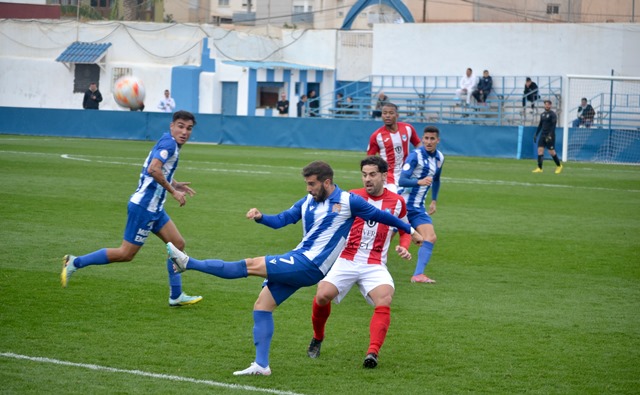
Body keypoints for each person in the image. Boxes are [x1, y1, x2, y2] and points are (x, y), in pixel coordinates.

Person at [165, 160, 423, 376]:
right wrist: (260, 217)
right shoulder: (307, 201)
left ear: (326, 182)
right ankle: (261, 365)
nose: (309, 188)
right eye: (307, 184)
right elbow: (282, 220)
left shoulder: (349, 200)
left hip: (310, 265)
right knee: (262, 306)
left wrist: (410, 231)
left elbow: (384, 217)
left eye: (312, 184)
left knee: (251, 265)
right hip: (298, 257)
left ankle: (188, 263)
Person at [61, 110, 203, 308]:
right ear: (171, 126)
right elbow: (154, 169)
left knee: (178, 245)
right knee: (126, 254)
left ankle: (176, 296)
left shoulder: (168, 142)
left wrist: (174, 183)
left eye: (188, 128)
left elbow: (153, 169)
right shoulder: (169, 144)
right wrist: (173, 191)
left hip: (155, 209)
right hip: (143, 208)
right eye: (180, 126)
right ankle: (74, 262)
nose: (184, 132)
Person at [307, 156, 413, 369]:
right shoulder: (351, 196)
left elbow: (404, 229)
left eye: (373, 174)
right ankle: (318, 337)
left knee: (384, 299)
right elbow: (333, 216)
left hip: (374, 264)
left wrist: (404, 246)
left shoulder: (397, 202)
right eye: (364, 175)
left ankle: (373, 352)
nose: (368, 179)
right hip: (346, 259)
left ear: (384, 175)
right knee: (321, 296)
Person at [398, 126, 445, 284]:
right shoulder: (415, 156)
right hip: (401, 206)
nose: (429, 142)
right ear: (422, 139)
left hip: (418, 208)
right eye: (426, 138)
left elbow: (437, 179)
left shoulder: (439, 158)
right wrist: (419, 182)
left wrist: (434, 200)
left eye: (432, 139)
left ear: (437, 140)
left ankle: (418, 275)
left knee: (430, 237)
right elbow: (402, 180)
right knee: (382, 238)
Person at [367, 102, 421, 193]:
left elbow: (418, 145)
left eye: (391, 113)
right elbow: (369, 158)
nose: (387, 116)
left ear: (397, 115)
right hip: (389, 175)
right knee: (393, 201)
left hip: (407, 173)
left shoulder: (408, 128)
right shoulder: (377, 136)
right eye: (385, 113)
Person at [532, 99, 563, 174]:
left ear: (550, 105)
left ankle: (559, 166)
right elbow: (540, 125)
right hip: (543, 135)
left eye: (548, 104)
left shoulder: (553, 114)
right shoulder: (542, 114)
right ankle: (540, 168)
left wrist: (550, 135)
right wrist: (536, 134)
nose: (547, 105)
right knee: (540, 150)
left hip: (550, 136)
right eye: (546, 104)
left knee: (551, 152)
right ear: (544, 105)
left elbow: (553, 126)